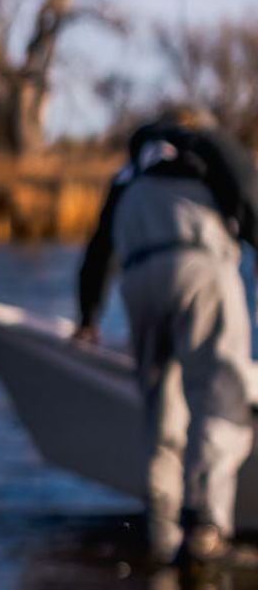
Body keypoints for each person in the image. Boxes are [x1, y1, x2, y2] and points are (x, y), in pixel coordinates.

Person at [77, 107, 257, 566]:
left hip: (139, 284)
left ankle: (161, 531)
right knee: (220, 397)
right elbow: (249, 199)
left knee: (160, 410)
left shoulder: (131, 173)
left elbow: (100, 250)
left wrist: (88, 317)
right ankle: (211, 528)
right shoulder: (207, 152)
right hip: (200, 268)